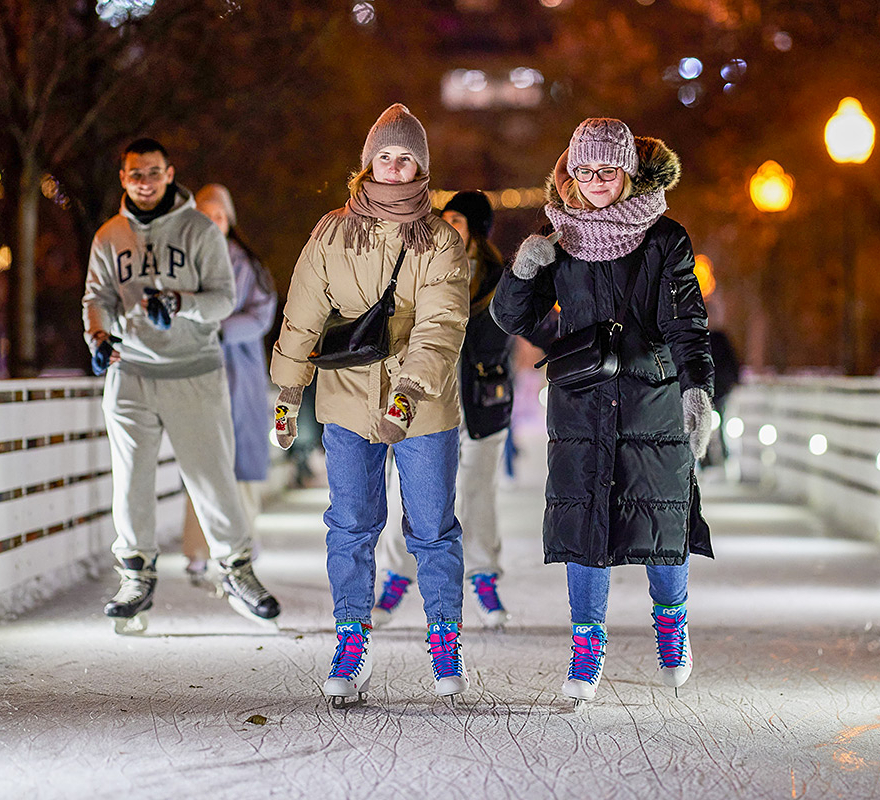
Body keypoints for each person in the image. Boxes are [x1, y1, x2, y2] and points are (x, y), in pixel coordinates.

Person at [491, 118, 715, 705]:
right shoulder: (556, 237)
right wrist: (523, 271)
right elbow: (515, 321)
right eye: (584, 171)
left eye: (608, 170)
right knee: (585, 523)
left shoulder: (666, 239)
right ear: (570, 173)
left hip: (652, 400)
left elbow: (687, 324)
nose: (595, 182)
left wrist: (698, 390)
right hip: (584, 402)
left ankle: (673, 625)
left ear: (628, 172)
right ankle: (586, 647)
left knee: (661, 520)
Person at [269, 104, 471, 703]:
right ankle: (351, 638)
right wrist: (287, 389)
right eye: (386, 154)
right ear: (368, 163)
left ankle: (443, 638)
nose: (395, 165)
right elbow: (303, 313)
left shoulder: (439, 240)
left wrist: (410, 390)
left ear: (422, 166)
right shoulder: (331, 231)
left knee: (432, 528)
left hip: (423, 405)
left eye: (406, 156)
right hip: (346, 399)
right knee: (351, 525)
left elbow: (442, 323)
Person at [82, 137, 281, 634]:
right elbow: (97, 295)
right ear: (123, 178)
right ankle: (135, 574)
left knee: (211, 476)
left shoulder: (199, 230)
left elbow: (222, 301)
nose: (144, 183)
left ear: (170, 174)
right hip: (130, 373)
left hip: (194, 371)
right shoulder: (109, 235)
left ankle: (236, 569)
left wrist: (179, 301)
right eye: (134, 174)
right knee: (131, 481)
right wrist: (99, 334)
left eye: (153, 173)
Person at [372, 190, 514, 630]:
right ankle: (395, 579)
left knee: (477, 492)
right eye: (445, 217)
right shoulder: (419, 266)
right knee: (405, 490)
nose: (447, 226)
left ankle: (484, 580)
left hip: (481, 403)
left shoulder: (499, 281)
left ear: (476, 232)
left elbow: (524, 327)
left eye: (458, 220)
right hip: (426, 399)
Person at [179, 184, 279, 588]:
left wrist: (218, 329)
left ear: (229, 220)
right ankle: (198, 548)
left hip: (239, 370)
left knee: (241, 460)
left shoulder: (247, 264)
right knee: (201, 459)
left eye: (218, 216)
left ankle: (242, 544)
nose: (211, 223)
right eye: (204, 215)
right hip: (198, 370)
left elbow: (261, 315)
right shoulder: (184, 263)